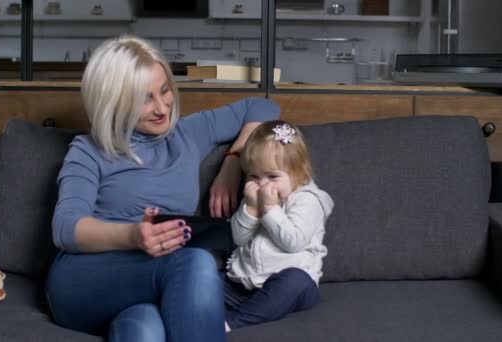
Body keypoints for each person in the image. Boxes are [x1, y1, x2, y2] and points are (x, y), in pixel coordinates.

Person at [44, 35, 279, 342]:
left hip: (152, 279)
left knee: (144, 329)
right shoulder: (88, 150)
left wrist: (233, 162)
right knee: (195, 261)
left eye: (165, 90)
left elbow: (262, 106)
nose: (162, 107)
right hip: (84, 278)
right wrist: (132, 236)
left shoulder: (187, 134)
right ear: (114, 103)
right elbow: (65, 227)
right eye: (144, 98)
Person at [224, 120, 334, 331]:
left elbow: (293, 242)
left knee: (295, 280)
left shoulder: (307, 200)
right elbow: (238, 238)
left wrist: (270, 208)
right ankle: (248, 308)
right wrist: (251, 209)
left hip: (293, 288)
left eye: (273, 176)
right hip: (247, 284)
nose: (263, 184)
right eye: (254, 176)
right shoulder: (253, 195)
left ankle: (234, 321)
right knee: (208, 280)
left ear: (299, 174)